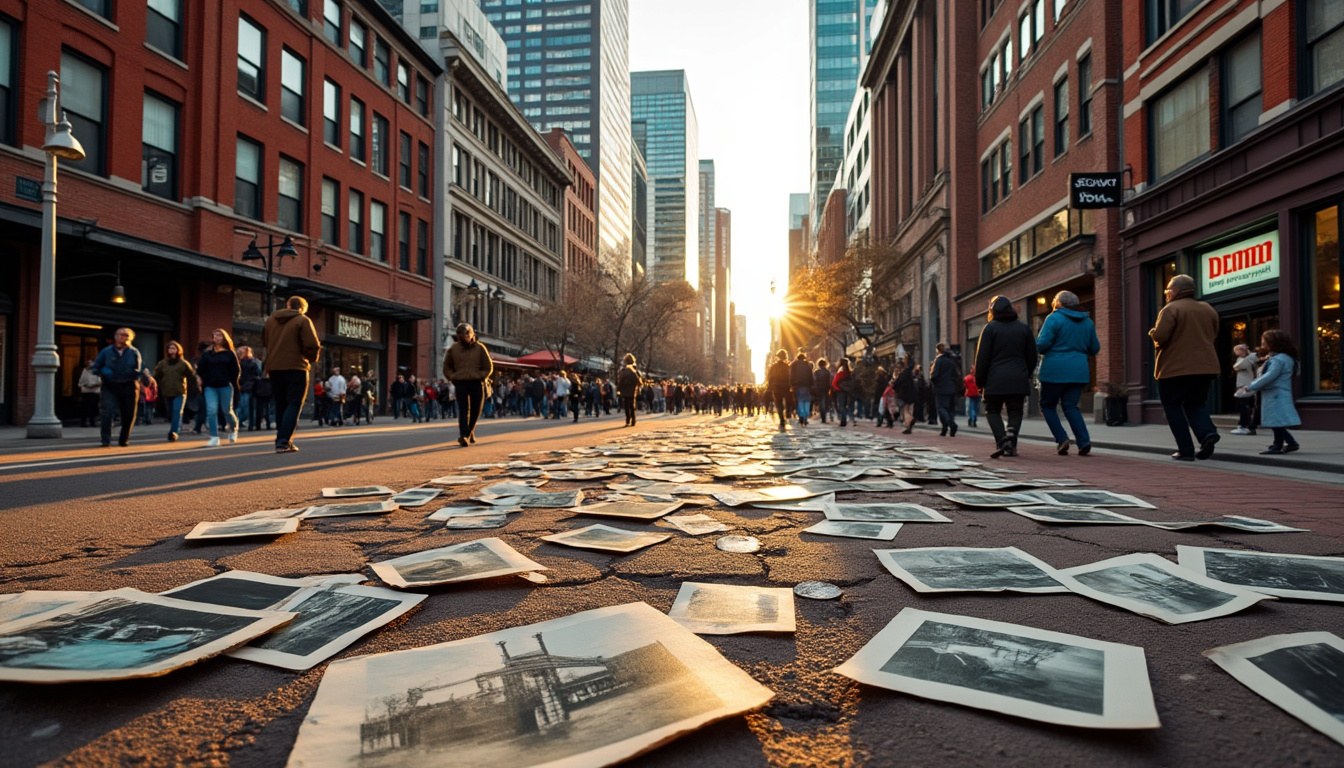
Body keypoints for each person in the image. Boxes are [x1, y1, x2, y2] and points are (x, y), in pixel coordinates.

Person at [1149, 274, 1221, 461]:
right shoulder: (1207, 308)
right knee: (1196, 403)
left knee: (1172, 407)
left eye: (1168, 290)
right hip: (1205, 366)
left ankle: (1185, 450)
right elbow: (1213, 334)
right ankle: (1207, 434)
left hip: (1175, 368)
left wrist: (1153, 333)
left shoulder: (1171, 309)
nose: (1167, 294)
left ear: (1175, 291)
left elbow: (1161, 336)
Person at [1035, 291, 1101, 456]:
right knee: (1071, 406)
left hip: (1054, 370)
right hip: (1079, 371)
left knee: (1047, 406)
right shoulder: (1087, 322)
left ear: (1059, 303)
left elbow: (1042, 345)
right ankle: (1083, 441)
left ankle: (1061, 438)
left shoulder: (1054, 318)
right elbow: (1095, 348)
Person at [974, 296, 1038, 458]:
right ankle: (1011, 440)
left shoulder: (990, 329)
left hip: (994, 379)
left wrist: (980, 382)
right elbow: (1032, 356)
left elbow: (982, 359)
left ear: (993, 311)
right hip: (1018, 378)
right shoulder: (1024, 329)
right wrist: (1026, 374)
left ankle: (1002, 440)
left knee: (992, 410)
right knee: (1015, 410)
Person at [264, 296, 322, 453]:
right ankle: (283, 441)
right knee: (294, 403)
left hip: (274, 367)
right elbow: (312, 344)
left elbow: (265, 342)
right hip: (296, 366)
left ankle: (280, 439)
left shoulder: (271, 320)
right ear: (302, 308)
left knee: (281, 403)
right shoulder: (302, 320)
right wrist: (310, 359)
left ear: (287, 305)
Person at [1238, 330, 1302, 455]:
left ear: (1273, 343)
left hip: (1275, 394)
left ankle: (1277, 446)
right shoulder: (1287, 358)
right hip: (1279, 392)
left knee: (1276, 421)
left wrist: (1250, 387)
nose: (1262, 345)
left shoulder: (1278, 360)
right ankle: (1290, 443)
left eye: (1264, 342)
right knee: (1277, 421)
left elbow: (1269, 377)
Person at [443, 323, 493, 447]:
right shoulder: (453, 349)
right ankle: (463, 435)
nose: (461, 339)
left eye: (463, 336)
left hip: (477, 382)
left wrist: (481, 375)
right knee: (463, 410)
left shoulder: (480, 348)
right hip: (461, 382)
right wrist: (452, 376)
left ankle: (470, 432)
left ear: (470, 335)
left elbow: (488, 367)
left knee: (476, 410)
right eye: (459, 337)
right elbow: (447, 366)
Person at [94, 327, 142, 447]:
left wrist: (133, 374)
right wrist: (103, 372)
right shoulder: (106, 351)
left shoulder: (134, 352)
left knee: (128, 414)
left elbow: (138, 369)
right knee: (107, 412)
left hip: (129, 385)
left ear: (131, 338)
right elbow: (97, 365)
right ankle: (106, 439)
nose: (123, 337)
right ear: (115, 337)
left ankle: (124, 438)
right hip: (111, 385)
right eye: (120, 335)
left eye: (126, 335)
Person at [196, 329, 241, 447]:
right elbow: (200, 369)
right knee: (211, 411)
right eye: (215, 335)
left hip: (225, 385)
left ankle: (233, 428)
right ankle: (214, 437)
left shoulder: (229, 354)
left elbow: (236, 371)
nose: (217, 337)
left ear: (224, 338)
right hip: (210, 386)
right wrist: (200, 379)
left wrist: (231, 381)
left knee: (227, 411)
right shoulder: (207, 354)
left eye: (220, 335)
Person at [153, 340, 195, 442]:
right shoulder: (162, 363)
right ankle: (175, 427)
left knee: (177, 412)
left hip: (179, 392)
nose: (171, 350)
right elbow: (156, 376)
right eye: (169, 348)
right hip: (166, 392)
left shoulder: (183, 363)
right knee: (171, 413)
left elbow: (191, 376)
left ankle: (173, 432)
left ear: (178, 350)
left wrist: (195, 390)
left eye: (174, 348)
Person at [928, 343, 961, 437]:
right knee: (950, 409)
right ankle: (945, 429)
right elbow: (957, 375)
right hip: (951, 388)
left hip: (941, 388)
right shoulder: (951, 362)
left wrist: (934, 381)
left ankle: (951, 424)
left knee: (941, 408)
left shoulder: (939, 361)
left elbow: (935, 375)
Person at [1231, 344, 1259, 436]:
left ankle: (1245, 425)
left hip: (1247, 385)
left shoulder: (1251, 358)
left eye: (1237, 351)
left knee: (1245, 406)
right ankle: (1245, 424)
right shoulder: (1241, 359)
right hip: (1242, 384)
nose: (1236, 354)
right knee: (1244, 405)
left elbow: (1237, 366)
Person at [237, 346, 262, 429]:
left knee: (244, 405)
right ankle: (239, 421)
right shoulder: (252, 362)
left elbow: (258, 373)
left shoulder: (252, 362)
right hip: (245, 385)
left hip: (248, 385)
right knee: (244, 405)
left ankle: (238, 421)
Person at [766, 350, 791, 430]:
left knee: (778, 403)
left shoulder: (774, 367)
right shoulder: (787, 366)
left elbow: (770, 377)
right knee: (787, 402)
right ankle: (786, 414)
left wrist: (769, 386)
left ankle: (781, 419)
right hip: (786, 386)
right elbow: (791, 377)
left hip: (776, 387)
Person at [832, 357, 860, 427]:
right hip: (849, 391)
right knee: (848, 406)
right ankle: (850, 418)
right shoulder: (850, 373)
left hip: (841, 391)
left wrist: (838, 389)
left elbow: (834, 383)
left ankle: (843, 420)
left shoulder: (840, 373)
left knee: (841, 406)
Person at [892, 357, 917, 433]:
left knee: (905, 410)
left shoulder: (904, 373)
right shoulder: (911, 372)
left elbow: (896, 384)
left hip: (904, 393)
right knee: (910, 409)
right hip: (913, 393)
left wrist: (896, 389)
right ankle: (909, 423)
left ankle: (908, 423)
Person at [790, 350, 815, 426]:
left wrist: (791, 385)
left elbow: (791, 375)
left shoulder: (794, 364)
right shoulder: (807, 365)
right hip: (806, 386)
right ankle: (805, 417)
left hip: (797, 386)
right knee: (806, 401)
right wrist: (812, 384)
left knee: (799, 401)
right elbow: (811, 375)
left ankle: (801, 416)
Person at [617, 354, 641, 427]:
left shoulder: (622, 371)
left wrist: (618, 390)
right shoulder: (634, 371)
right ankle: (633, 420)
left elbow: (619, 381)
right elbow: (638, 381)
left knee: (626, 406)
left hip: (625, 391)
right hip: (633, 391)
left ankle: (628, 420)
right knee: (632, 406)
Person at [77, 360, 101, 428]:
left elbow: (99, 381)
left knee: (93, 407)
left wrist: (93, 385)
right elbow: (81, 381)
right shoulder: (84, 371)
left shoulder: (96, 371)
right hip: (86, 391)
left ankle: (92, 422)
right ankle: (83, 422)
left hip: (94, 391)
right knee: (85, 408)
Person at [812, 359, 832, 423]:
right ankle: (824, 416)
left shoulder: (816, 372)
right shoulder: (827, 372)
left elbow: (814, 381)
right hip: (826, 389)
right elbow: (829, 381)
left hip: (819, 389)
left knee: (821, 403)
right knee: (825, 403)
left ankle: (823, 417)